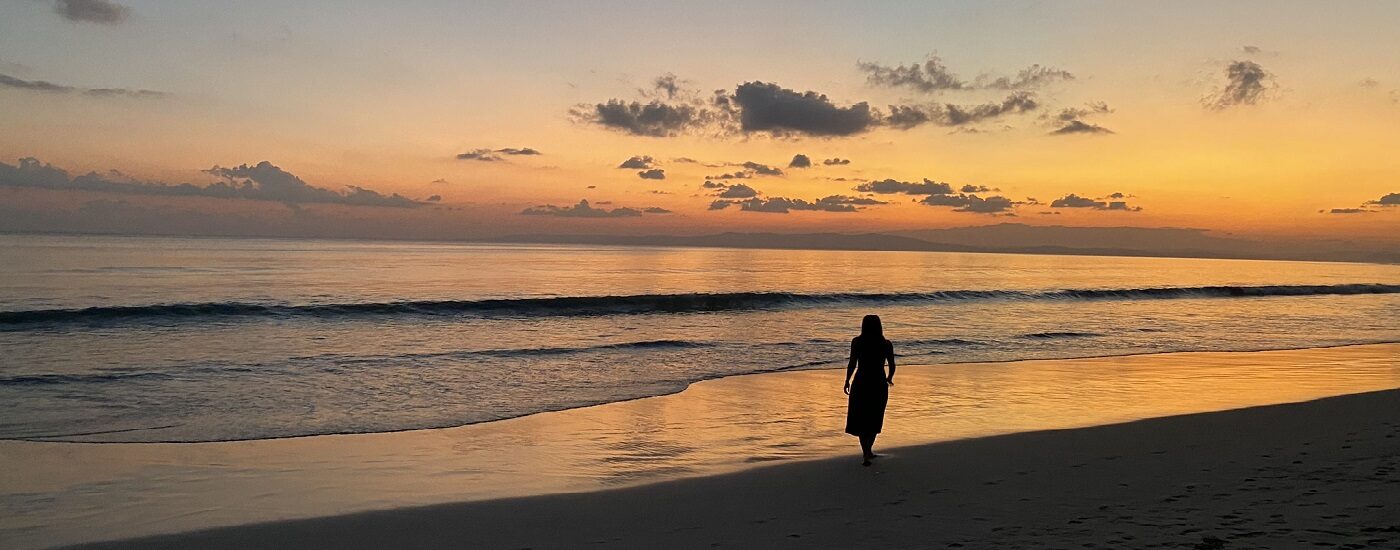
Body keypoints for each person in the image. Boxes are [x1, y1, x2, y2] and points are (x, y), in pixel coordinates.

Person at [844, 314, 895, 466]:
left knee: (860, 417)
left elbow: (852, 363)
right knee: (874, 416)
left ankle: (866, 451)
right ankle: (868, 451)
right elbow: (892, 365)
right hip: (878, 382)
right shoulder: (886, 344)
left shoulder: (857, 342)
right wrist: (889, 378)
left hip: (860, 382)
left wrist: (847, 380)